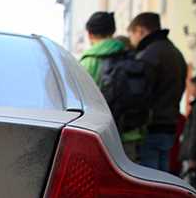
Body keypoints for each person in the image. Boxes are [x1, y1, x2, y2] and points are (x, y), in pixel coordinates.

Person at [79, 11, 145, 161]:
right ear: (113, 31)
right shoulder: (131, 57)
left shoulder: (87, 63)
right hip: (130, 135)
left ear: (89, 34)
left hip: (101, 138)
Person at [128, 12, 188, 172]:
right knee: (163, 177)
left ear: (140, 30)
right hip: (170, 124)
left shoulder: (148, 55)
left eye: (132, 34)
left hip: (151, 126)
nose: (132, 40)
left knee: (150, 180)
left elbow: (140, 94)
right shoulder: (176, 53)